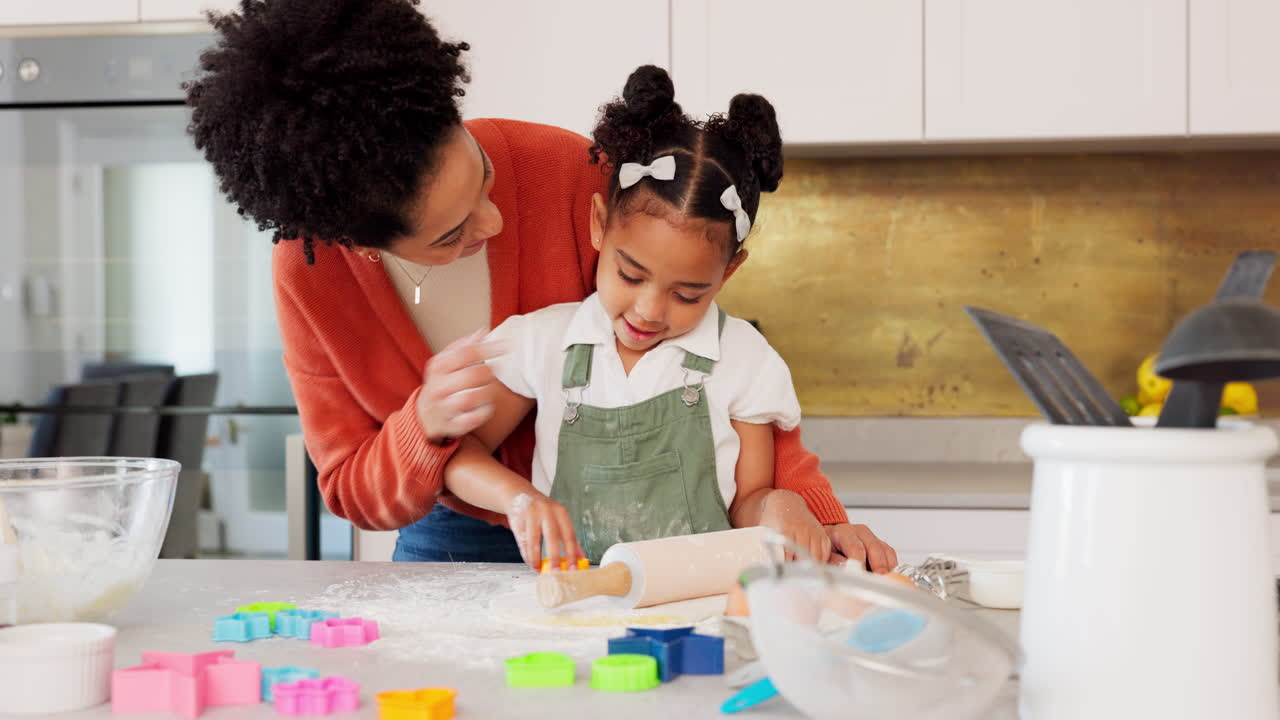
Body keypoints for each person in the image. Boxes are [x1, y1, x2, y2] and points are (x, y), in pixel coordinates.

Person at [184, 0, 896, 570]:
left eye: (484, 179)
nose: (494, 221)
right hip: (455, 535)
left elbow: (720, 369)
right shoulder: (312, 277)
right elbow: (350, 487)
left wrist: (819, 518)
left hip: (643, 538)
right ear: (362, 245)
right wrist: (422, 427)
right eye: (449, 233)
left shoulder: (564, 170)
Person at [443, 65, 843, 569]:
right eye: (630, 275)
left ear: (729, 272)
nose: (649, 311)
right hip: (571, 610)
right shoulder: (546, 341)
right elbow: (459, 455)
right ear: (598, 225)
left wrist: (784, 505)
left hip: (701, 605)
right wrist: (520, 498)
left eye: (688, 293)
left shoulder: (743, 359)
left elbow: (749, 502)